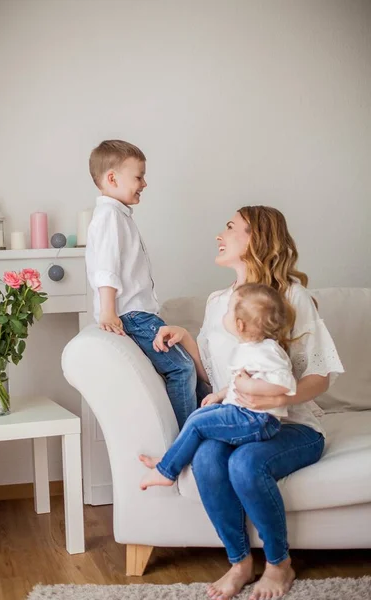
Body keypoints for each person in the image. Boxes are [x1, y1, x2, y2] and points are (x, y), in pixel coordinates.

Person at [152, 206, 344, 600]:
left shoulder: (291, 295)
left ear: (254, 239)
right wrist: (186, 339)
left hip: (294, 425)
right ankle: (239, 563)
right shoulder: (217, 301)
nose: (219, 235)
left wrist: (280, 394)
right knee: (206, 459)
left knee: (245, 463)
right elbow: (216, 377)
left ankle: (279, 565)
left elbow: (320, 376)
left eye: (230, 228)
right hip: (239, 417)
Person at [139, 282, 297, 491]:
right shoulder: (249, 349)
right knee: (200, 416)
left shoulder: (267, 351)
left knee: (198, 423)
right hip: (245, 413)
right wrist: (222, 394)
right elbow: (239, 382)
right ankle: (171, 460)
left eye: (230, 309)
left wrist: (249, 385)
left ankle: (166, 470)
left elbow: (285, 384)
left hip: (258, 419)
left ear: (239, 324)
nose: (225, 313)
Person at [85, 139, 197, 429]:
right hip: (134, 315)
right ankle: (188, 442)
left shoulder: (117, 215)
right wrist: (108, 311)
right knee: (182, 368)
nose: (144, 183)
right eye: (138, 176)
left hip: (140, 314)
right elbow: (106, 268)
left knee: (187, 367)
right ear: (112, 178)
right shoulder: (110, 216)